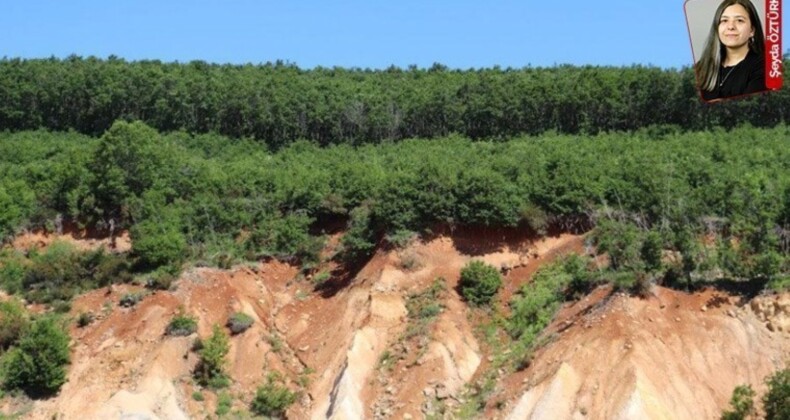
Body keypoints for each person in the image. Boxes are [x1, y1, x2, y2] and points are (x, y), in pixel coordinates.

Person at [695, 0, 766, 101]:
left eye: (739, 20)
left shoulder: (765, 66)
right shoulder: (701, 68)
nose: (731, 26)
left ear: (752, 30)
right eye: (724, 20)